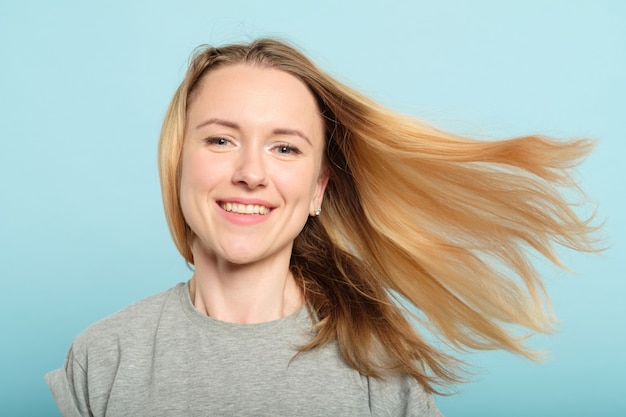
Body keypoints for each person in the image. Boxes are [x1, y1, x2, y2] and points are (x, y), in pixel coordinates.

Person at [45, 38, 600, 416]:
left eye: (285, 148)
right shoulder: (103, 357)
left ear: (317, 190)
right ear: (178, 162)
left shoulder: (379, 368)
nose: (250, 173)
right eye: (220, 139)